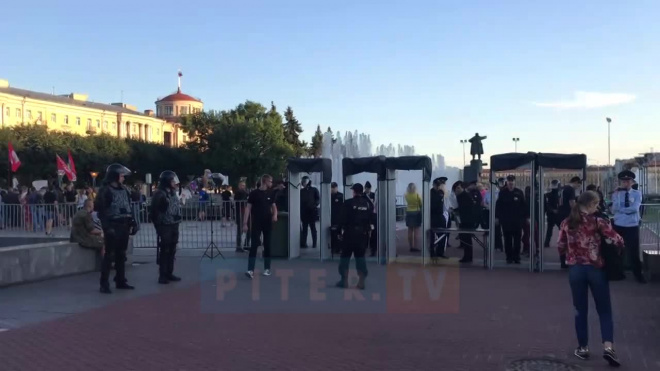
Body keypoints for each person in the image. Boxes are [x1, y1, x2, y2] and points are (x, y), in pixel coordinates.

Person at [557, 191, 623, 367]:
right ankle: (608, 346)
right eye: (596, 204)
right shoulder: (599, 222)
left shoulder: (567, 222)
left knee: (580, 309)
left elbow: (560, 246)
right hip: (596, 268)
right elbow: (618, 240)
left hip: (576, 270)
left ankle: (583, 347)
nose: (598, 207)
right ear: (591, 204)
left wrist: (570, 254)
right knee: (604, 309)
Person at [94, 163, 139, 294]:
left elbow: (127, 206)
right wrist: (107, 227)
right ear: (115, 176)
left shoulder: (124, 190)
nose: (123, 178)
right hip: (112, 225)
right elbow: (101, 211)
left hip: (123, 225)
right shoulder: (105, 190)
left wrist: (132, 222)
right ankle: (104, 283)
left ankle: (120, 280)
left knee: (121, 254)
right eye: (121, 176)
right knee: (109, 255)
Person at [611, 170, 646, 284]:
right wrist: (624, 210)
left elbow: (635, 208)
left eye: (628, 181)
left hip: (632, 225)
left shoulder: (637, 193)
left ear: (632, 182)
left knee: (633, 250)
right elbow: (614, 208)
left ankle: (638, 274)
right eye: (624, 181)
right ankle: (618, 272)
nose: (626, 183)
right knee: (617, 249)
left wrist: (622, 210)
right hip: (619, 224)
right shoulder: (616, 193)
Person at [336, 183, 373, 290]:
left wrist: (338, 232)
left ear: (354, 191)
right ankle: (361, 281)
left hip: (349, 233)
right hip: (362, 234)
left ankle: (344, 280)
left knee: (345, 257)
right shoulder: (367, 204)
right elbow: (371, 218)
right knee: (360, 257)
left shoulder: (348, 203)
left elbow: (342, 219)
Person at [150, 171, 183, 284]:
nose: (174, 183)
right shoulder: (160, 193)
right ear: (167, 181)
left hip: (174, 224)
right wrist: (159, 226)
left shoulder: (173, 192)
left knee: (172, 250)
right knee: (165, 250)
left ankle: (169, 272)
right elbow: (154, 212)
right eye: (172, 181)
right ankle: (162, 275)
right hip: (165, 226)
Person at [243, 174, 277, 279]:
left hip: (267, 222)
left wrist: (275, 215)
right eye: (270, 181)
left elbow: (274, 206)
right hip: (257, 222)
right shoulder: (254, 193)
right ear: (265, 181)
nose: (271, 183)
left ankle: (267, 268)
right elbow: (248, 208)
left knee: (267, 245)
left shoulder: (271, 193)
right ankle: (250, 270)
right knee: (254, 245)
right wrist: (245, 223)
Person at [496, 175, 527, 264]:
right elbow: (498, 206)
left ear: (514, 182)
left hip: (517, 221)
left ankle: (516, 257)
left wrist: (526, 217)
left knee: (517, 240)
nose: (511, 184)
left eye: (512, 182)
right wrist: (497, 217)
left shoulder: (519, 192)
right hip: (506, 221)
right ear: (507, 183)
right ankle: (509, 257)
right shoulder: (502, 193)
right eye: (509, 182)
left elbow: (524, 206)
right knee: (507, 240)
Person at [455, 181, 482, 263]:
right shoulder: (463, 195)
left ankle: (468, 257)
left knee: (467, 239)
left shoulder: (465, 196)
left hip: (467, 220)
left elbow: (467, 208)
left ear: (462, 188)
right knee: (465, 239)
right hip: (465, 220)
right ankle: (467, 256)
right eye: (456, 188)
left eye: (458, 188)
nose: (457, 190)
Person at [558, 176, 582, 268]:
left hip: (560, 214)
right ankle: (569, 259)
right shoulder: (571, 189)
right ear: (575, 182)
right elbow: (572, 203)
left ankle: (562, 261)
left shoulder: (562, 188)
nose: (578, 187)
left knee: (562, 239)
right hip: (568, 215)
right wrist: (578, 211)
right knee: (570, 239)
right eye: (578, 185)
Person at [430, 177, 450, 260]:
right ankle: (432, 252)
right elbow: (434, 204)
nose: (440, 187)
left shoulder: (442, 192)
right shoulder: (432, 193)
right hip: (433, 216)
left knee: (443, 233)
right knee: (432, 235)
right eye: (438, 185)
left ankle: (440, 252)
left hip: (441, 215)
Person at [300, 176, 319, 248]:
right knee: (304, 228)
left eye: (304, 181)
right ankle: (304, 243)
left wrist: (314, 205)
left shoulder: (314, 190)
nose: (303, 183)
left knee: (313, 228)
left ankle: (314, 243)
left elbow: (317, 199)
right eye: (303, 181)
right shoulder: (301, 191)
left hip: (312, 211)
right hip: (304, 212)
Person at [404, 183, 422, 252]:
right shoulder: (417, 195)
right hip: (416, 212)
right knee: (416, 231)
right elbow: (421, 203)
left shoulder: (406, 195)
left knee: (410, 230)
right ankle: (416, 246)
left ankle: (411, 246)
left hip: (409, 212)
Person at [544, 180, 561, 247]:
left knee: (549, 229)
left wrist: (551, 210)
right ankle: (561, 242)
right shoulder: (559, 194)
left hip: (551, 214)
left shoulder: (547, 195)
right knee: (561, 229)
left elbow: (547, 205)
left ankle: (546, 243)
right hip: (556, 214)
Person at [234, 180, 249, 252]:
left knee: (247, 229)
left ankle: (245, 244)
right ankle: (239, 246)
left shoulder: (243, 193)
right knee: (240, 230)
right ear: (239, 186)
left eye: (244, 185)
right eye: (242, 185)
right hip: (240, 212)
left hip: (244, 211)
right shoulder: (239, 192)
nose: (243, 187)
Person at [330, 182, 344, 255]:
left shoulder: (340, 196)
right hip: (331, 217)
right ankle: (333, 247)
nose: (332, 189)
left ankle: (339, 248)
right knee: (332, 233)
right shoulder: (329, 196)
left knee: (339, 233)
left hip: (338, 218)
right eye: (331, 187)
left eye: (333, 188)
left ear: (336, 188)